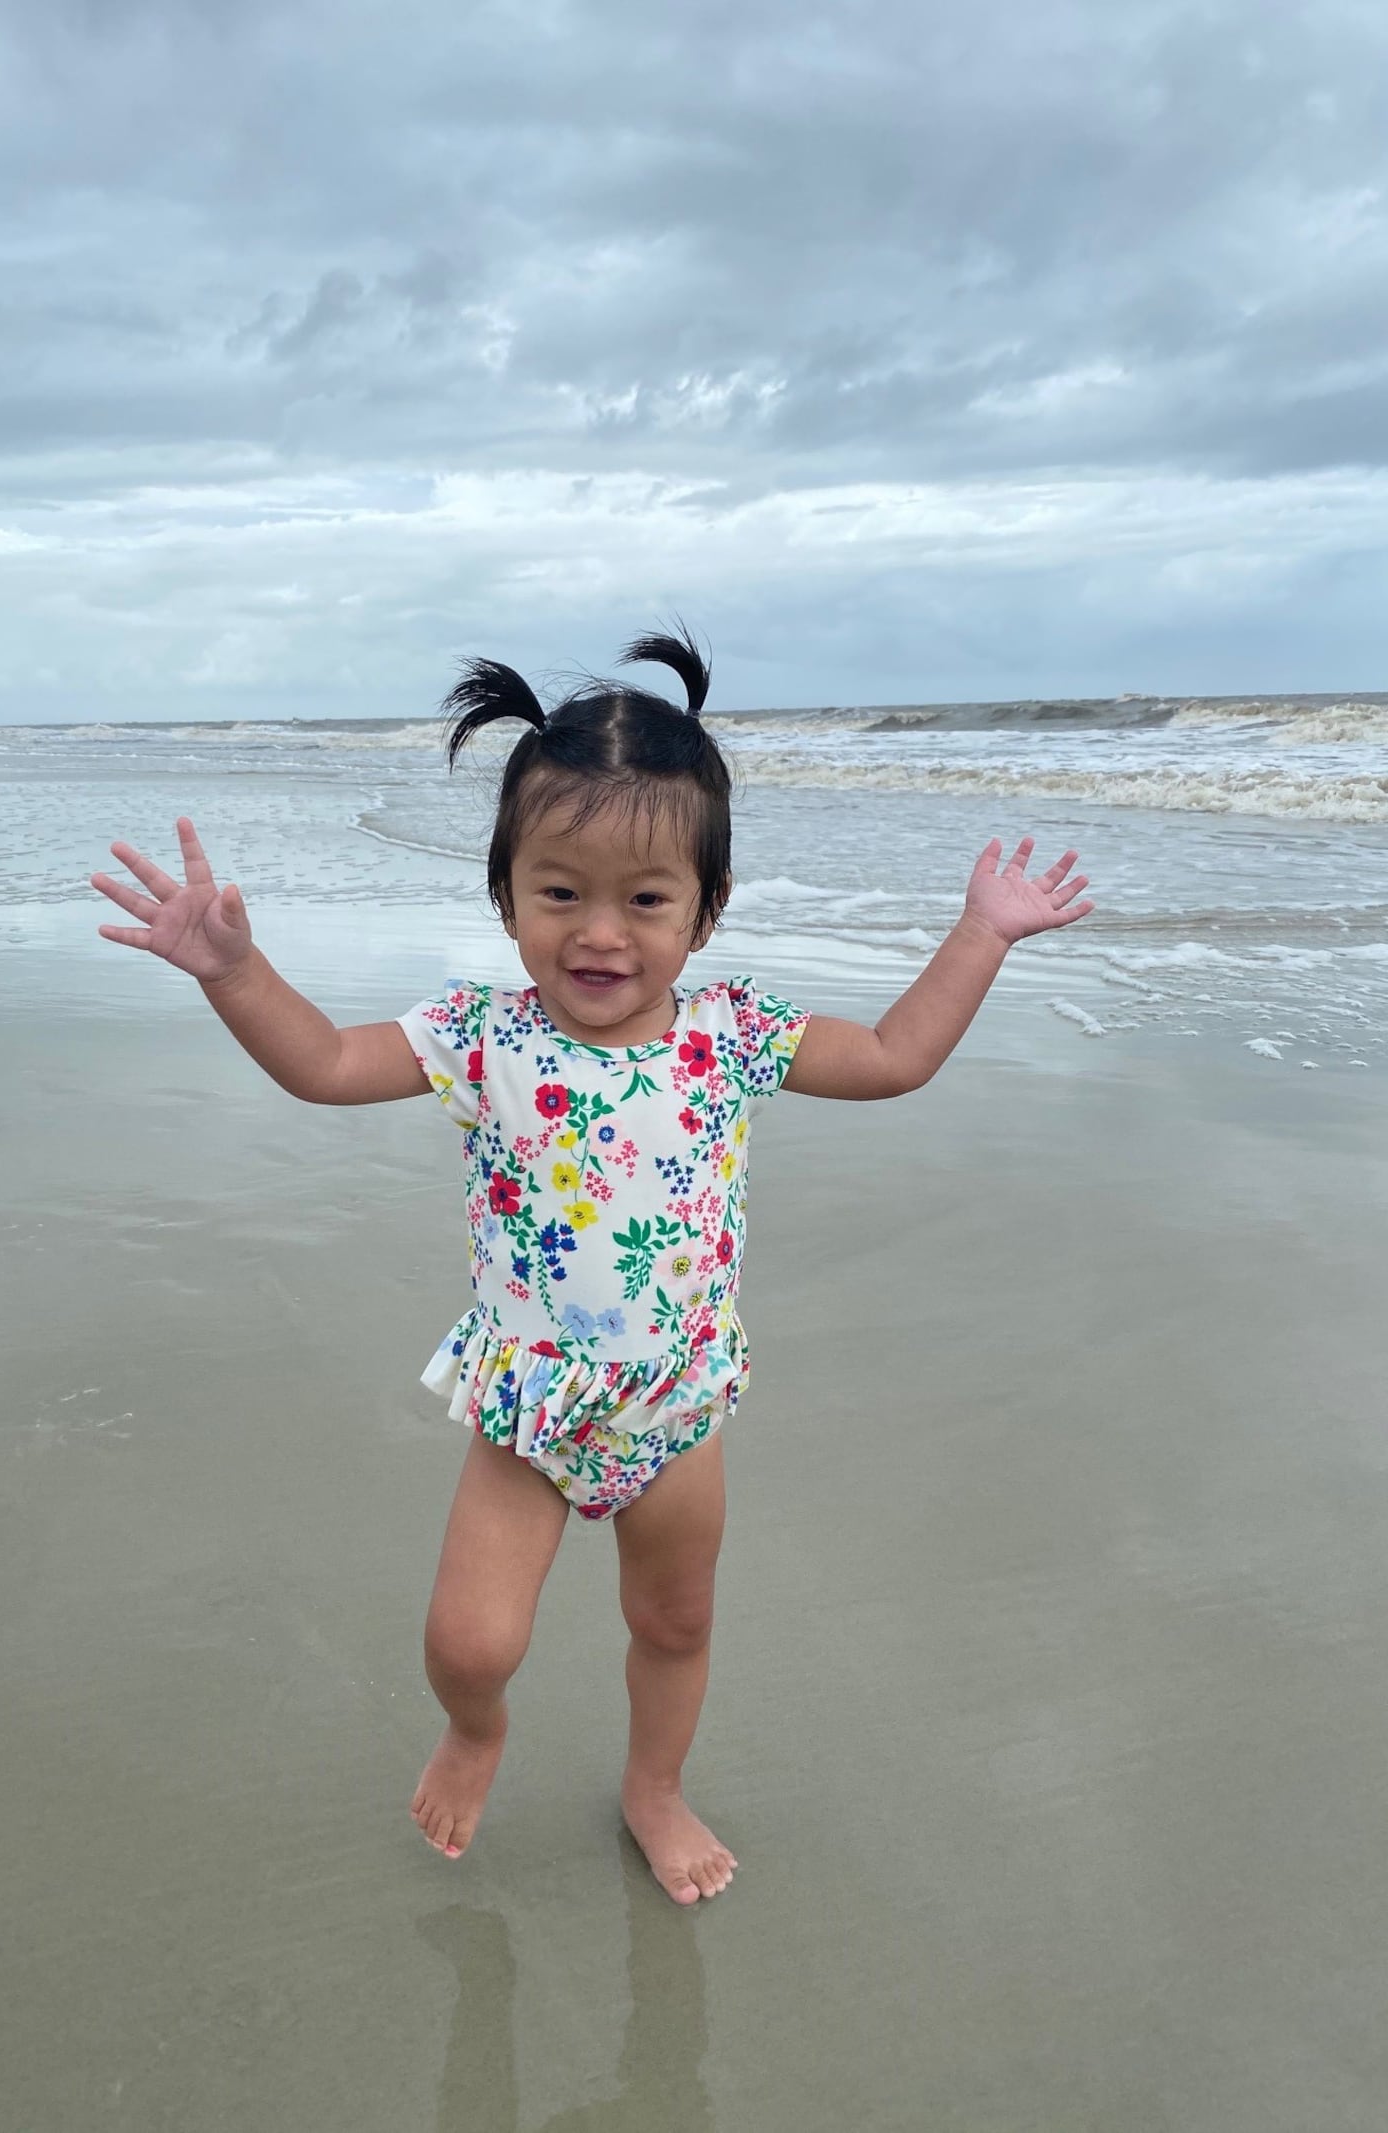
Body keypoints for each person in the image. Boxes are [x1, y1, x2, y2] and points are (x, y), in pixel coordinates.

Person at [90, 626, 1094, 1905]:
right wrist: (235, 971)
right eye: (559, 893)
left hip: (679, 1404)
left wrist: (982, 936)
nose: (599, 932)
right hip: (531, 1407)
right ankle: (475, 1729)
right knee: (470, 1641)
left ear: (706, 910)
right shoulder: (476, 1035)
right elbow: (325, 1067)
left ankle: (654, 1788)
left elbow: (895, 1057)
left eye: (647, 899)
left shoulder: (734, 1037)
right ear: (504, 897)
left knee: (673, 1624)